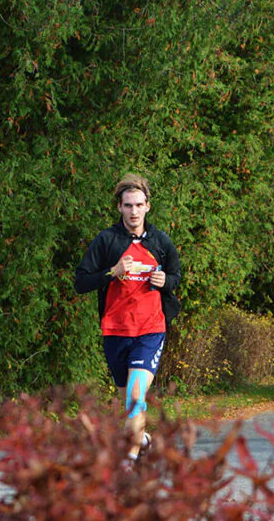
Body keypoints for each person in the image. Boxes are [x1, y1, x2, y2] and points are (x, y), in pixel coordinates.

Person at [74, 174, 181, 466]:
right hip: (116, 331)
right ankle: (142, 439)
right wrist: (113, 271)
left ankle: (128, 461)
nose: (134, 212)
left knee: (135, 397)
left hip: (150, 330)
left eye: (139, 205)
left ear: (148, 206)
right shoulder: (107, 240)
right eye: (128, 205)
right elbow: (81, 282)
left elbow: (175, 276)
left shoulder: (160, 241)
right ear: (119, 207)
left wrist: (165, 281)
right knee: (131, 404)